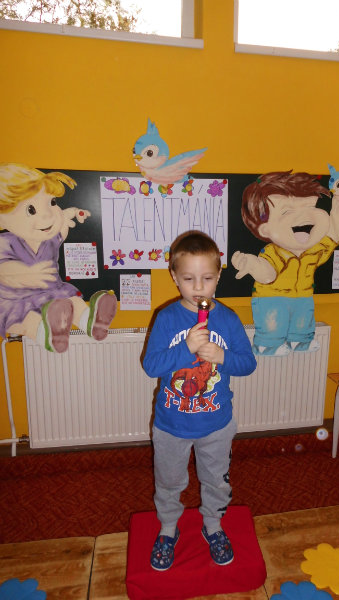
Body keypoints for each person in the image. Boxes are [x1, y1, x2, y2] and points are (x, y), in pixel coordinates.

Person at [143, 230, 257, 571]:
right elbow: (151, 366)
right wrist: (186, 348)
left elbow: (248, 364)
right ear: (174, 277)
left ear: (218, 276)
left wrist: (222, 356)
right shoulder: (167, 318)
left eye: (207, 278)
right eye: (188, 279)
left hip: (216, 423)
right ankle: (168, 528)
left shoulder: (229, 319)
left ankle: (213, 524)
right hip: (171, 423)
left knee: (216, 479)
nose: (198, 288)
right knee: (169, 481)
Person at [232, 170, 339, 356]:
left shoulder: (313, 250)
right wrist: (252, 265)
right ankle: (268, 344)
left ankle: (300, 340)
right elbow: (268, 274)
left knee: (303, 319)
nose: (305, 216)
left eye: (310, 206)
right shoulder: (274, 252)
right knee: (273, 322)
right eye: (287, 211)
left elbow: (333, 234)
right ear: (265, 229)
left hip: (303, 296)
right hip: (272, 298)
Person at [0, 163, 117, 352]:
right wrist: (26, 273)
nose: (48, 216)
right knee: (27, 319)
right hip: (17, 300)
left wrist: (73, 212)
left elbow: (61, 221)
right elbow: (3, 269)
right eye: (31, 210)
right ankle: (50, 335)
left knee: (72, 302)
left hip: (53, 295)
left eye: (52, 202)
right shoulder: (5, 242)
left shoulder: (50, 238)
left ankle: (92, 323)